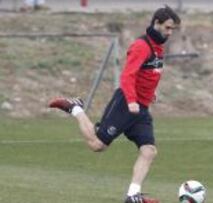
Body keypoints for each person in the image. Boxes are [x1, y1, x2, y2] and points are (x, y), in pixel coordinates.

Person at [49, 5, 181, 203]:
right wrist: (131, 101)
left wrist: (150, 94)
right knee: (97, 145)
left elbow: (148, 75)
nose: (170, 32)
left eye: (173, 29)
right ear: (157, 23)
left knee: (149, 151)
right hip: (126, 104)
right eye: (168, 28)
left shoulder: (158, 48)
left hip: (141, 109)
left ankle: (132, 195)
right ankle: (75, 108)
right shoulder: (141, 46)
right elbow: (127, 76)